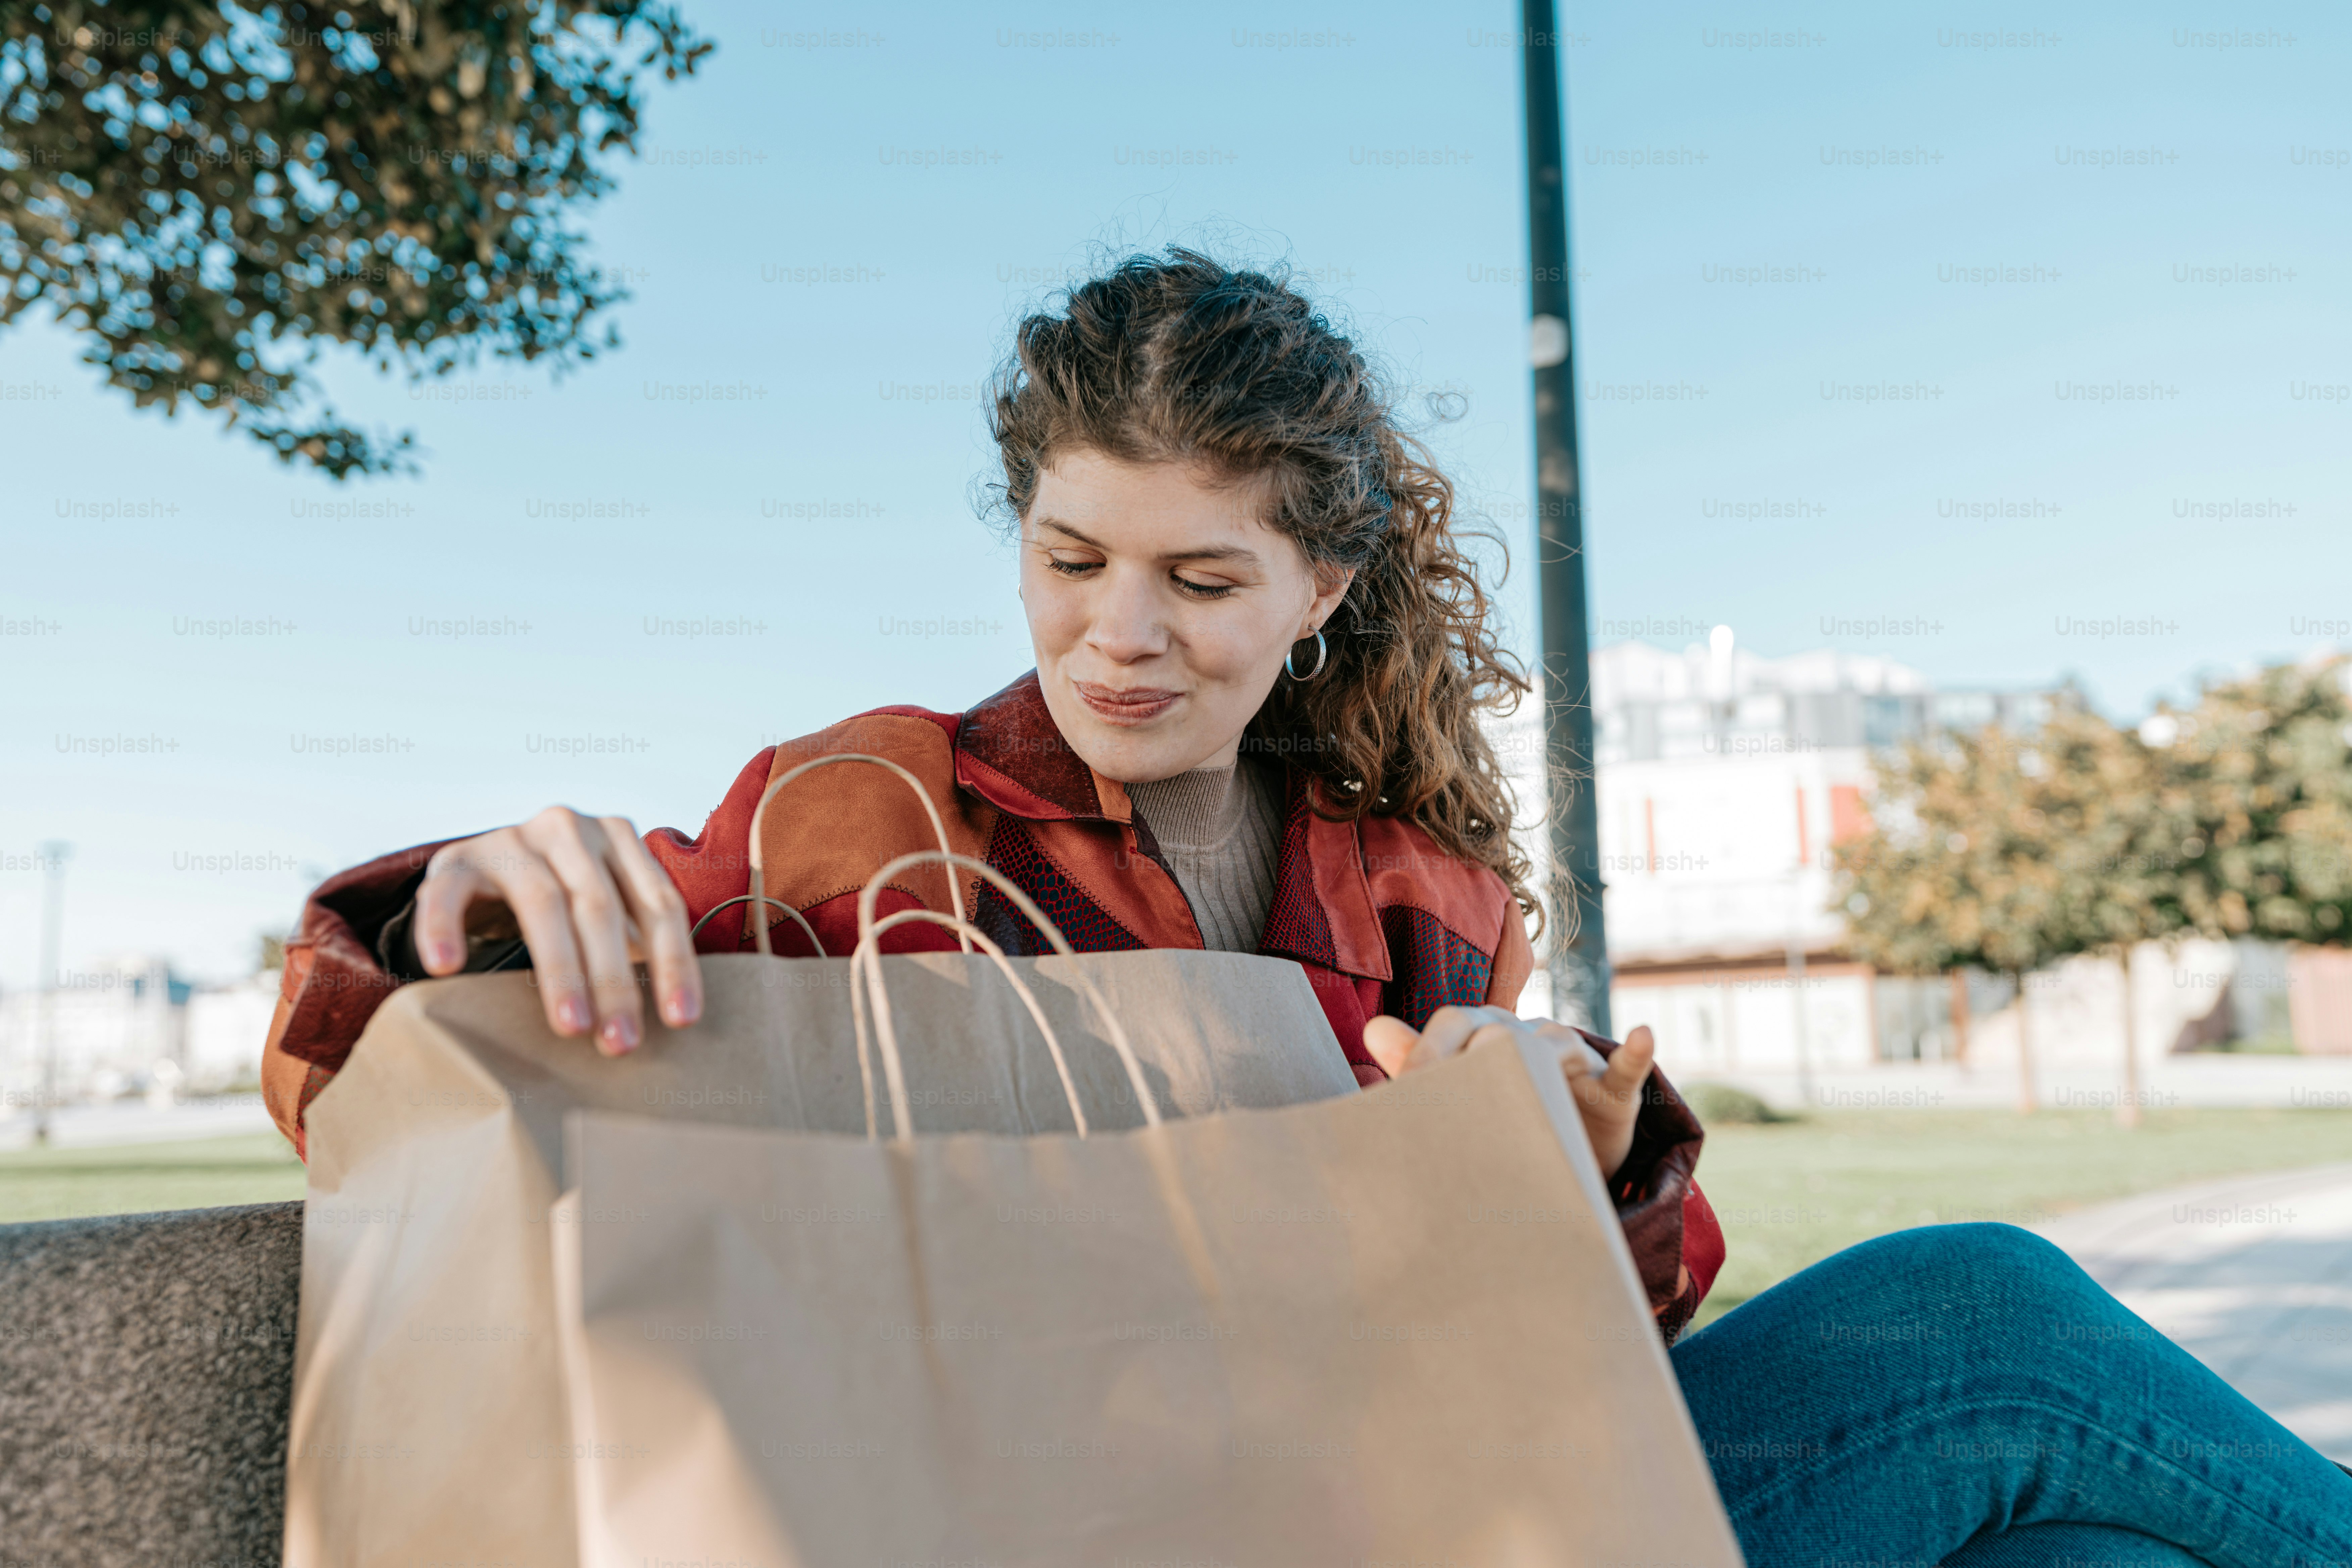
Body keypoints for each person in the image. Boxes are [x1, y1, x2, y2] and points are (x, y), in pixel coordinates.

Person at [261, 249, 2352, 1566]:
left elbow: (1610, 1332)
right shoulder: (858, 809)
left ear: (1320, 595)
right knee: (1988, 1317)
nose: (1116, 637)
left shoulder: (1420, 882)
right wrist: (466, 901)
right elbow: (405, 1086)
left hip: (1424, 1491)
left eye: (1198, 581)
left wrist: (1605, 1171)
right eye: (1072, 560)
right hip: (1059, 1510)